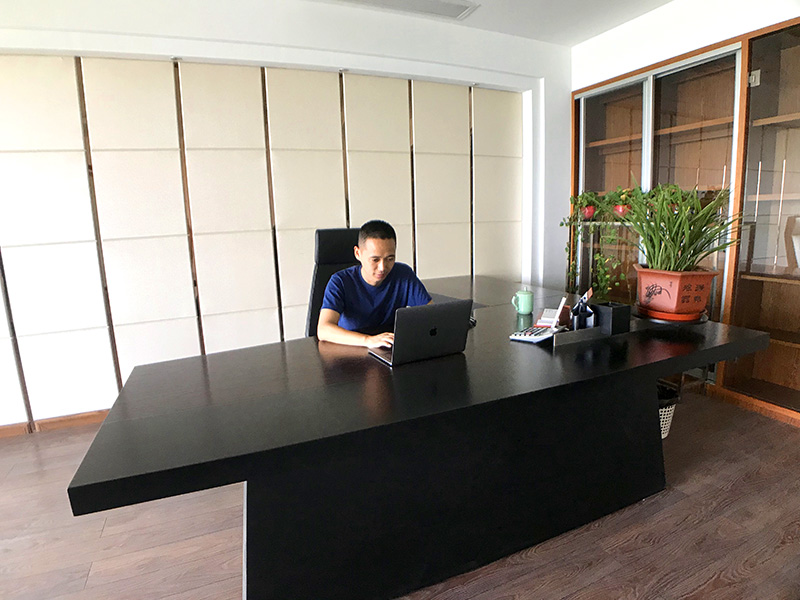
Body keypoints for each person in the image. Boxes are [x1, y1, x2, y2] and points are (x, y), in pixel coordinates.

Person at [317, 220, 432, 348]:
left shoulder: (403, 274)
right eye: (375, 260)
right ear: (358, 253)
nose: (382, 267)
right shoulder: (340, 281)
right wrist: (368, 340)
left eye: (390, 259)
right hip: (351, 348)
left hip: (388, 346)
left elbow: (432, 315)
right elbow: (323, 330)